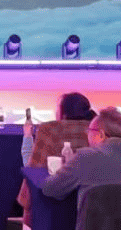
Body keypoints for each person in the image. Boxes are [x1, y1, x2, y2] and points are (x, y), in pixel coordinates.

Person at [41, 107, 121, 200]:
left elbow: (50, 189)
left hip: (95, 224)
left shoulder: (85, 158)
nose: (87, 134)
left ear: (101, 134)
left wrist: (66, 167)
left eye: (89, 131)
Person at [19, 93, 96, 222]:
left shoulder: (49, 129)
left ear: (63, 112)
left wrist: (27, 137)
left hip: (50, 200)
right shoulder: (95, 130)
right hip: (89, 204)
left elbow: (34, 168)